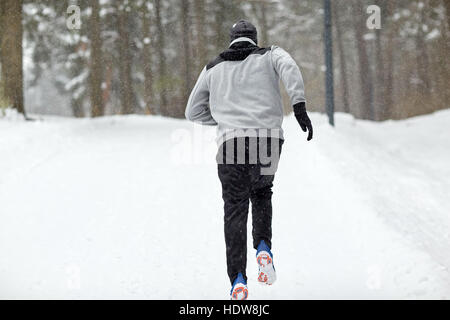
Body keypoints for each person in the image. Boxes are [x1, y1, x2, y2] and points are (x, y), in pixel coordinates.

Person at [185, 20, 313, 300]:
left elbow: (192, 112)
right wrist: (299, 105)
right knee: (262, 193)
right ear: (254, 39)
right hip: (268, 141)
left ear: (231, 39)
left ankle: (238, 281)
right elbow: (289, 65)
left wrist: (223, 120)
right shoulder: (270, 55)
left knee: (234, 210)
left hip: (231, 145)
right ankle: (264, 248)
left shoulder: (213, 67)